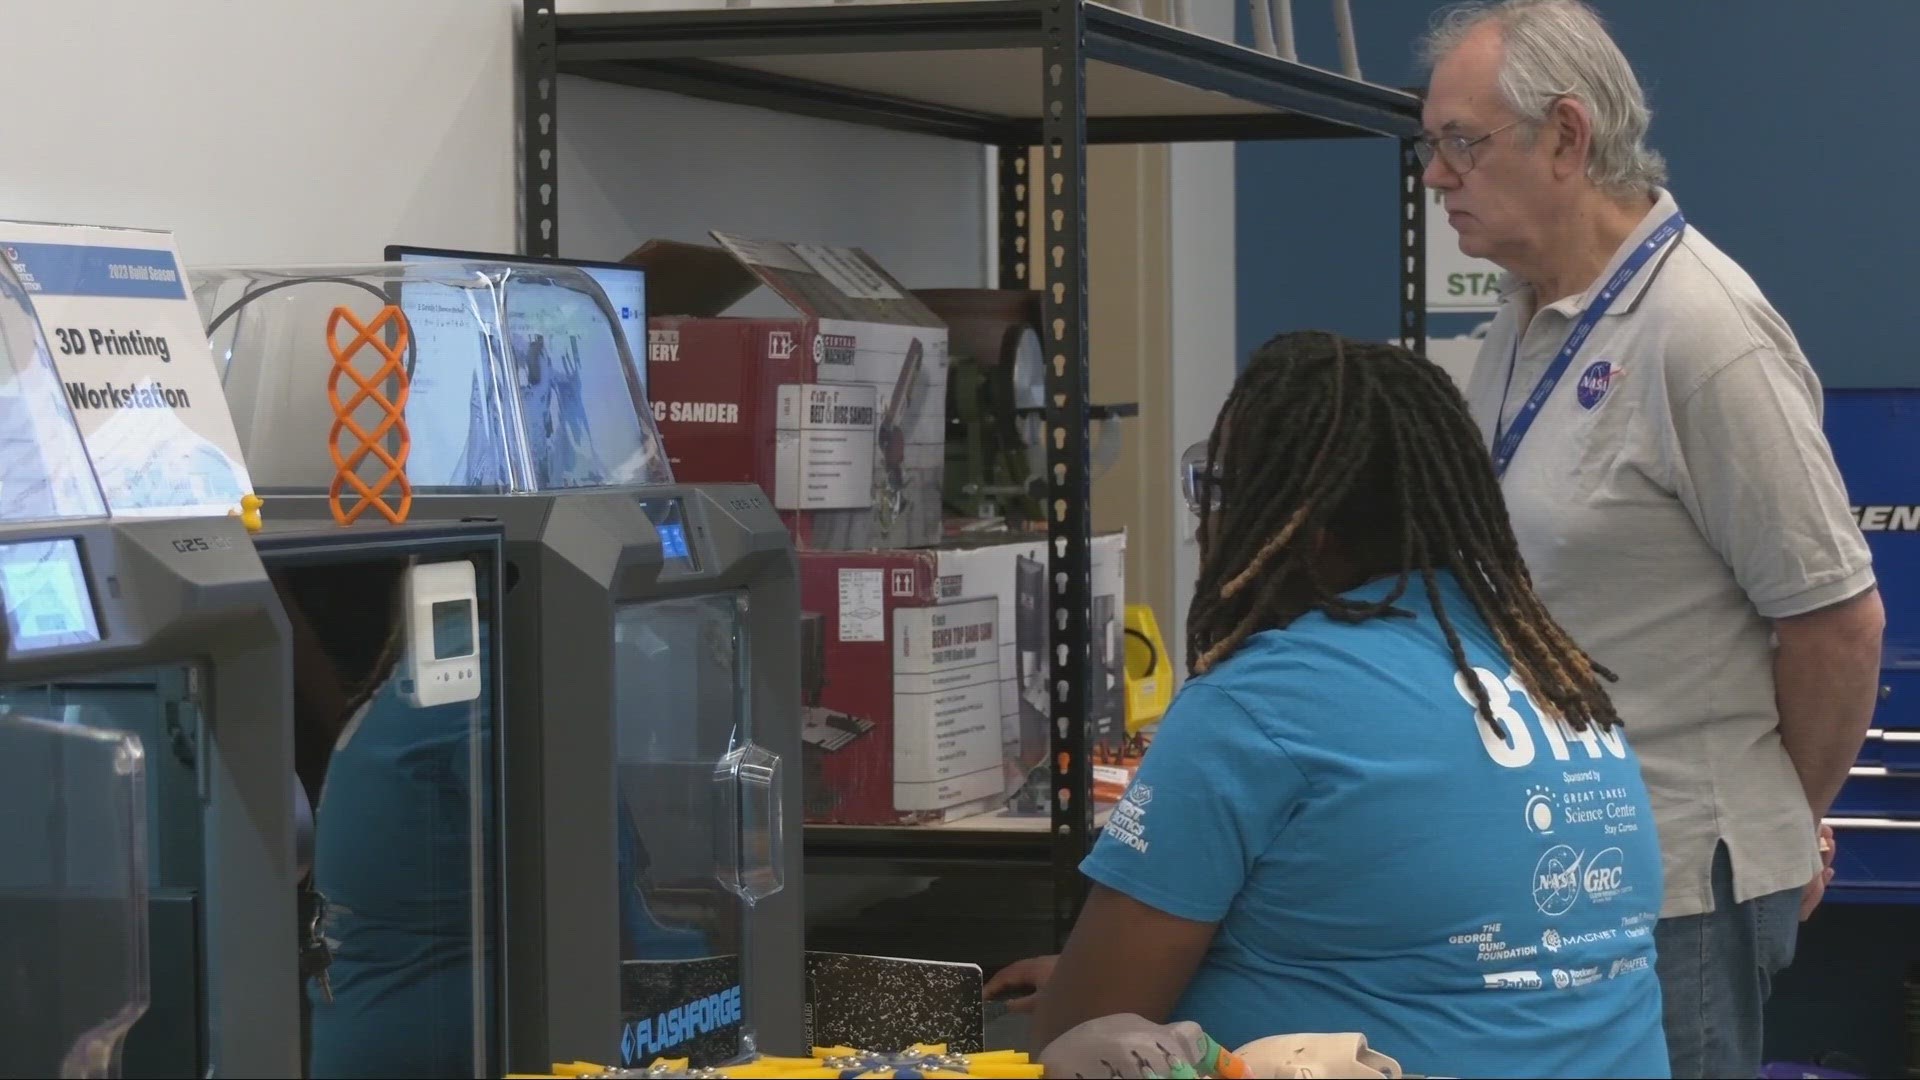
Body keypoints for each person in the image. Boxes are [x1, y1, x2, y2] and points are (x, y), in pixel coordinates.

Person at [1415, 2, 1885, 1076]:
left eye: (1461, 143)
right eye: (1431, 144)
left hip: (1674, 893)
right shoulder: (1526, 314)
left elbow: (1839, 627)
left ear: (1568, 138)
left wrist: (1778, 820)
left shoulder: (1706, 336)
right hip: (1551, 860)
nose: (1436, 176)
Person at [1024, 331, 1670, 1079]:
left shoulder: (1263, 700)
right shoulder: (1549, 667)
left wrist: (1085, 988)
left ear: (1297, 524)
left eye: (1222, 491)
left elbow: (1078, 1034)